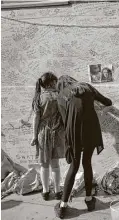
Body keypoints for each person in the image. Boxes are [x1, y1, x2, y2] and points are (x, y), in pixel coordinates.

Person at [55, 75, 112, 219]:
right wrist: (98, 109)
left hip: (73, 133)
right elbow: (108, 102)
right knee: (87, 163)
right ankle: (89, 199)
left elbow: (64, 120)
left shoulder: (61, 96)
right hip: (90, 130)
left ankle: (63, 206)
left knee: (73, 167)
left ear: (61, 85)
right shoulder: (87, 87)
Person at [31, 72, 65, 201]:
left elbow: (36, 118)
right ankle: (57, 192)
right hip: (57, 132)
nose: (57, 84)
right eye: (56, 82)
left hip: (43, 132)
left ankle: (45, 191)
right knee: (55, 165)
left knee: (44, 165)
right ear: (51, 83)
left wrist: (34, 136)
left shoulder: (38, 97)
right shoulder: (60, 96)